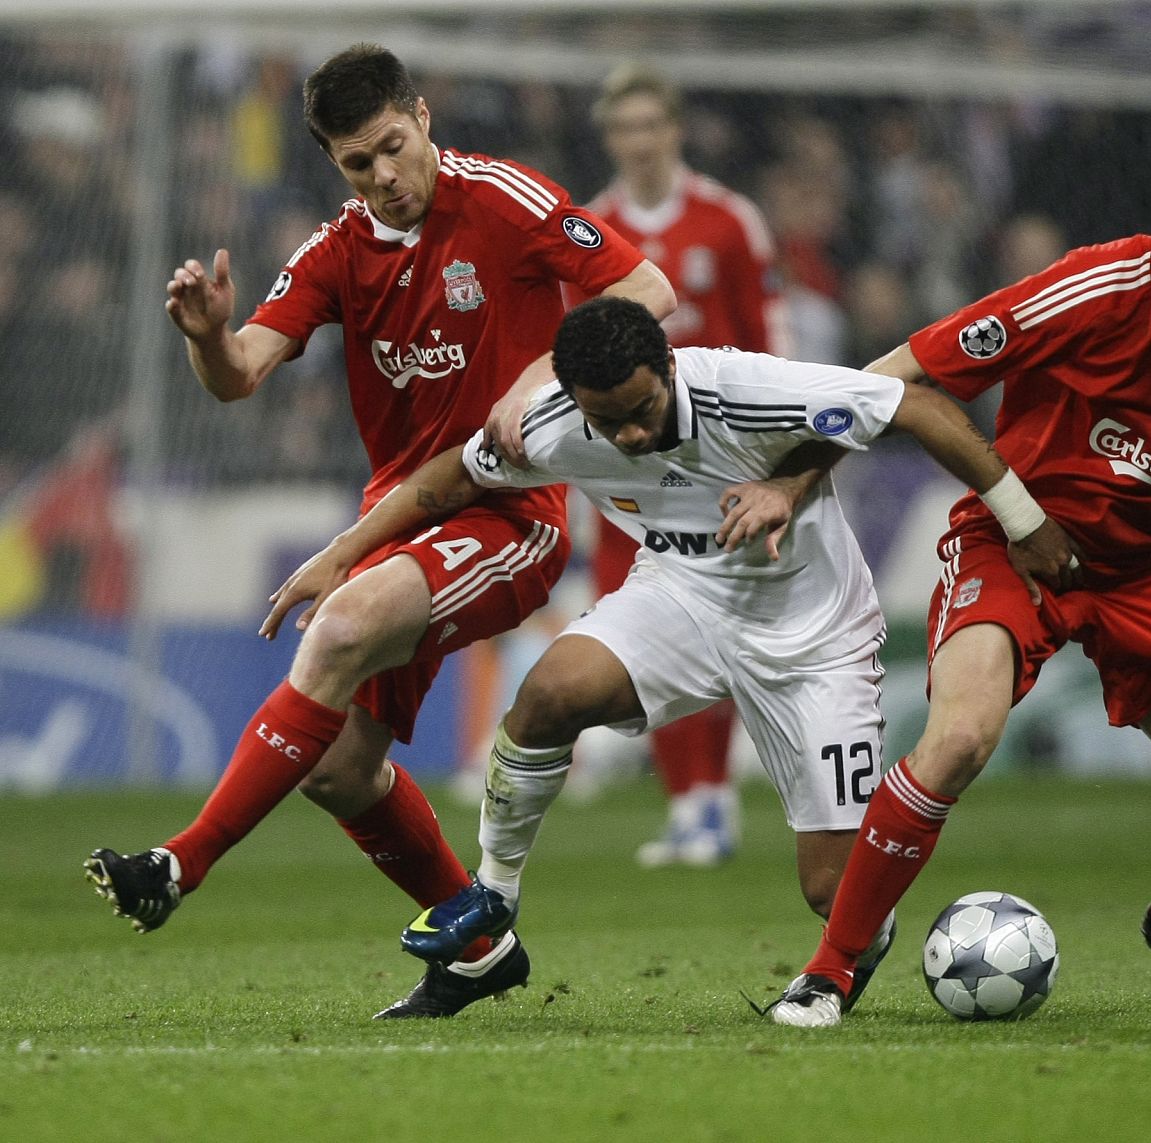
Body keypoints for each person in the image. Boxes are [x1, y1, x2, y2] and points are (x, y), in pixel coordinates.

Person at [263, 296, 1076, 1015]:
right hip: (682, 601)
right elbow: (453, 479)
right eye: (606, 420)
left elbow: (915, 407)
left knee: (833, 891)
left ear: (669, 366)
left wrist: (1022, 518)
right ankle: (495, 894)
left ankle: (863, 932)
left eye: (642, 409)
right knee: (547, 696)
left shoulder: (745, 387)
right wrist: (347, 550)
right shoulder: (556, 424)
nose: (629, 433)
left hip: (813, 638)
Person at [82, 43, 675, 1020]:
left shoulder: (506, 199)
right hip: (402, 517)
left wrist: (543, 381)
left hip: (509, 511)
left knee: (344, 625)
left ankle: (178, 865)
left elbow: (646, 292)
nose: (386, 178)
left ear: (424, 116)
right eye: (359, 165)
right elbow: (240, 376)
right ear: (335, 165)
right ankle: (478, 946)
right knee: (337, 770)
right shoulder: (332, 255)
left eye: (395, 148)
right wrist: (205, 337)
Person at [768, 148, 1151, 1027]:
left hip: (1147, 572)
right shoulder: (1090, 290)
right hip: (1015, 542)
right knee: (960, 736)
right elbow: (901, 371)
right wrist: (795, 475)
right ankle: (829, 971)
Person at [579, 63, 792, 868]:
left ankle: (713, 802)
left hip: (717, 455)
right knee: (642, 628)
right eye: (623, 128)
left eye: (649, 125)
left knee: (718, 621)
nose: (638, 141)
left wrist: (777, 441)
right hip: (626, 466)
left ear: (674, 130)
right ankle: (687, 805)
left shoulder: (728, 220)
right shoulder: (591, 227)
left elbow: (769, 331)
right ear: (611, 138)